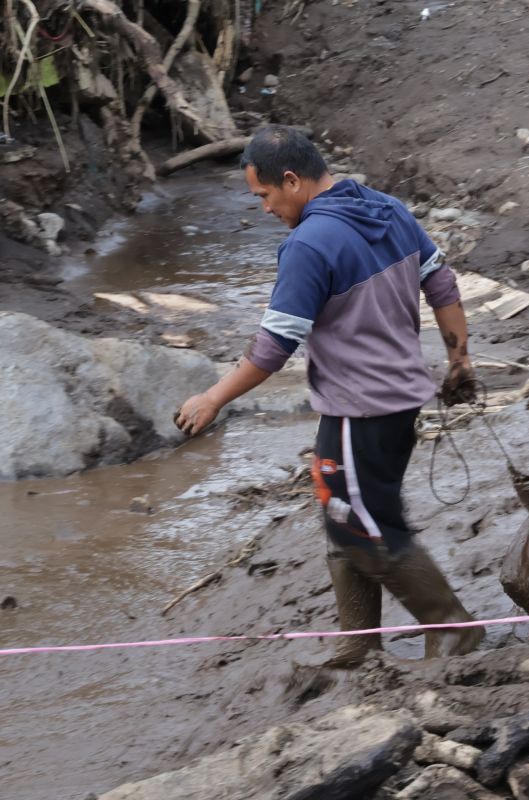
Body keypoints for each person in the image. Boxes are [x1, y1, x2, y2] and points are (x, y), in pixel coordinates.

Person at [175, 125, 485, 664]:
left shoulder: (307, 245)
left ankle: (455, 629)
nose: (265, 209)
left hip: (359, 410)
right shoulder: (387, 208)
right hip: (397, 402)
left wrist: (213, 398)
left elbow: (273, 347)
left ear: (291, 181)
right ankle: (357, 645)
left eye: (264, 196)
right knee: (340, 513)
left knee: (361, 525)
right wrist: (460, 360)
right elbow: (442, 285)